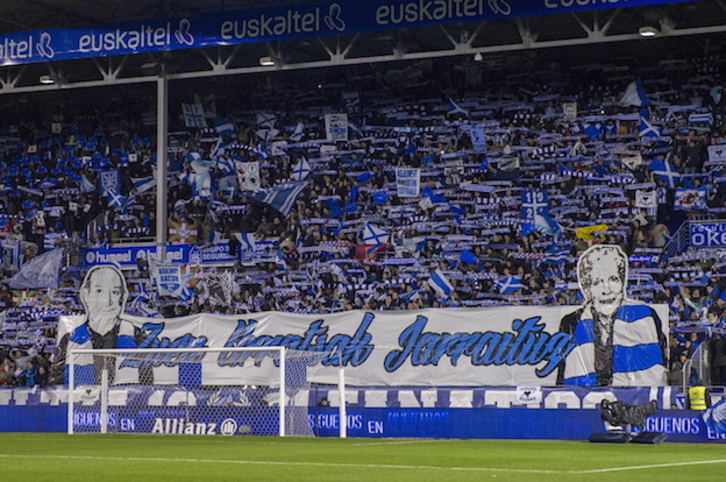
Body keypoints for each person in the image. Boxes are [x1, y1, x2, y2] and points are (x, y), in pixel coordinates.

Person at [556, 245, 668, 386]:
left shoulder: (646, 316)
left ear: (622, 283)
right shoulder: (571, 322)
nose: (606, 289)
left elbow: (661, 361)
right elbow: (562, 371)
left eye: (613, 279)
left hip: (632, 396)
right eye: (598, 282)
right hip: (586, 396)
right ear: (587, 288)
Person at [53, 265, 151, 385]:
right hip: (81, 400)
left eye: (115, 292)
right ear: (85, 294)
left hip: (124, 400)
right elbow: (58, 380)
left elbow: (147, 379)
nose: (107, 300)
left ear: (123, 297)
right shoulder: (69, 340)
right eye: (99, 291)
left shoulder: (137, 336)